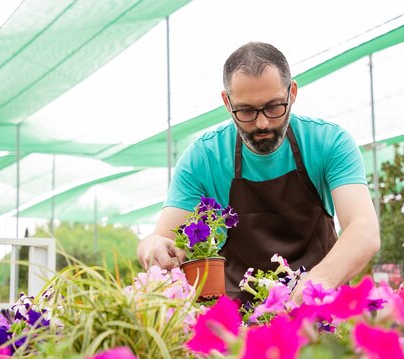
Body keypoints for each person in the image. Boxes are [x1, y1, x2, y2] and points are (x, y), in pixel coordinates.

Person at [137, 41, 380, 305]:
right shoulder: (203, 158)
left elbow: (364, 229)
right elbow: (160, 240)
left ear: (293, 92)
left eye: (274, 107)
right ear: (227, 103)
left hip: (316, 314)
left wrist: (315, 284)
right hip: (237, 324)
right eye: (247, 111)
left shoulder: (329, 143)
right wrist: (152, 247)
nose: (262, 123)